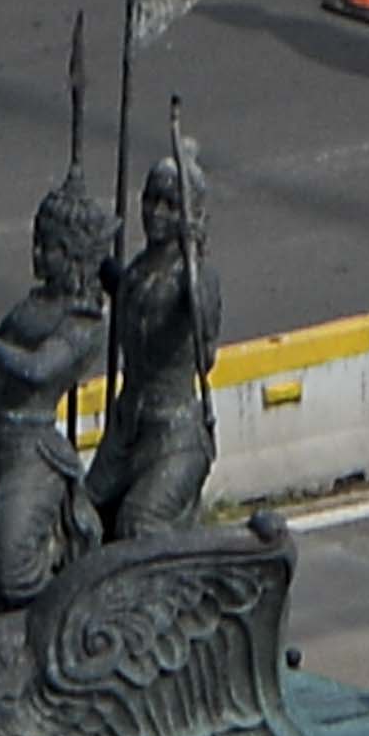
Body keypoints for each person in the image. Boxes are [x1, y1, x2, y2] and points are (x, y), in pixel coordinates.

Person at [0, 179, 115, 608]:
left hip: (31, 448)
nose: (37, 255)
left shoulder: (84, 322)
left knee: (10, 567)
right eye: (36, 243)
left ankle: (57, 612)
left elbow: (37, 369)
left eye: (49, 248)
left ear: (74, 256)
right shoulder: (31, 306)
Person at [90, 137, 222, 542]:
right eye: (150, 200)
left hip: (175, 434)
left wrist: (194, 265)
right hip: (127, 427)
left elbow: (205, 352)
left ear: (190, 214)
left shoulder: (195, 277)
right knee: (81, 518)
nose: (155, 213)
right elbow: (127, 290)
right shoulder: (140, 269)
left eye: (170, 205)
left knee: (139, 525)